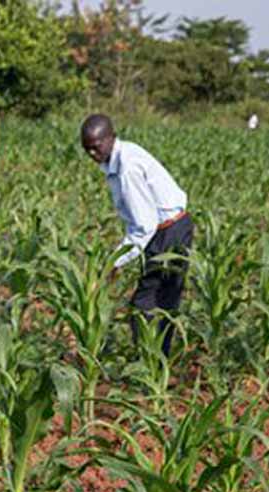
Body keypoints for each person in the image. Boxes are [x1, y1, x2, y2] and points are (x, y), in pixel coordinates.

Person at [80, 114, 191, 355]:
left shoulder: (127, 167)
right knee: (158, 301)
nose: (91, 154)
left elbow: (144, 225)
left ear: (110, 138)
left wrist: (114, 263)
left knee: (148, 302)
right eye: (86, 149)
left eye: (95, 147)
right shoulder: (120, 157)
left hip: (168, 233)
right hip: (166, 230)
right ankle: (157, 359)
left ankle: (152, 364)